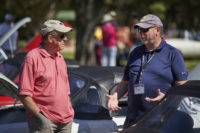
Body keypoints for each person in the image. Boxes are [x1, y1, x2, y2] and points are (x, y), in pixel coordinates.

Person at [106, 14, 188, 129]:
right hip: (133, 119)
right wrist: (116, 95)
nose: (141, 33)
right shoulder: (135, 52)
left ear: (157, 30)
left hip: (160, 120)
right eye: (139, 30)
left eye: (145, 30)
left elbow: (183, 87)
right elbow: (125, 82)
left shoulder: (172, 54)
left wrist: (166, 97)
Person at [18, 20, 74, 133]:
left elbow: (66, 91)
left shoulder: (60, 58)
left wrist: (69, 110)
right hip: (44, 122)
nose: (65, 39)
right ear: (50, 38)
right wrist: (41, 118)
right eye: (62, 35)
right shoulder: (32, 57)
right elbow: (24, 94)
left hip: (66, 121)